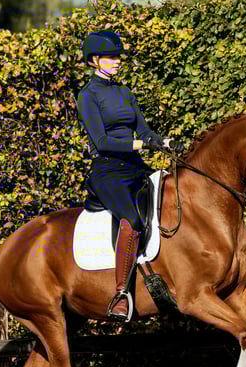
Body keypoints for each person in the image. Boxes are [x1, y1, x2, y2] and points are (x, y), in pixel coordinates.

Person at [77, 30, 184, 322]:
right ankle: (121, 293)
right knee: (133, 219)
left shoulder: (124, 92)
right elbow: (101, 142)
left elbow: (144, 130)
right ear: (94, 60)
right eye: (111, 57)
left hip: (135, 166)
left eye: (118, 57)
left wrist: (163, 142)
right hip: (108, 170)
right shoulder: (88, 95)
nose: (117, 61)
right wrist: (140, 144)